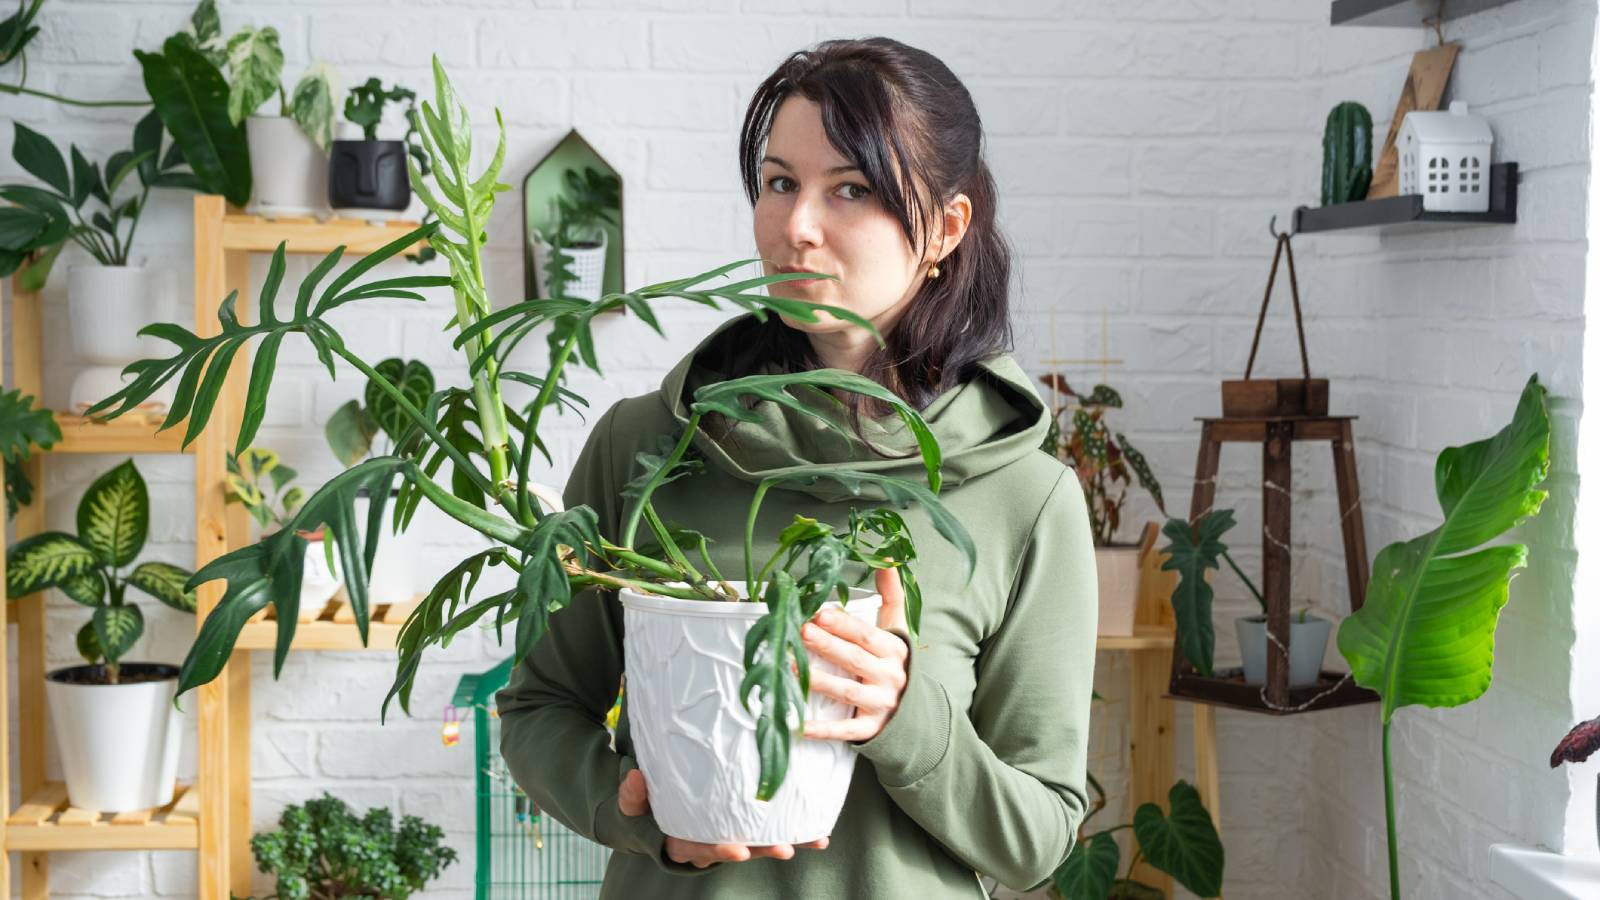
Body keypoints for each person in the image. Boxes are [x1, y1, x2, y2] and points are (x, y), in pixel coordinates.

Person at [497, 36, 1098, 899]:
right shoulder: (644, 446)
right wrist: (633, 811)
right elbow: (539, 709)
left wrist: (901, 715)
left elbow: (1038, 836)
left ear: (947, 228)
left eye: (850, 189)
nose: (796, 226)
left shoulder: (1028, 497)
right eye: (780, 183)